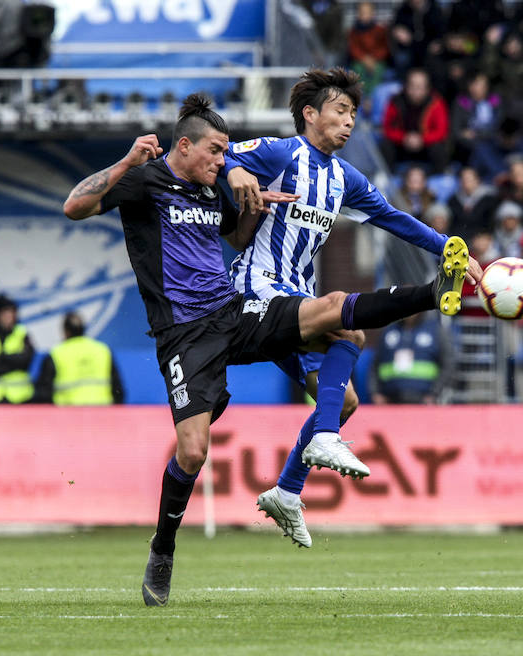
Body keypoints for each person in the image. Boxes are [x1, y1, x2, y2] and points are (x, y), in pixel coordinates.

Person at [63, 94, 476, 607]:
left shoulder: (211, 190)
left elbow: (232, 238)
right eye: (215, 152)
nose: (221, 160)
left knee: (336, 317)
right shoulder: (146, 181)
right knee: (192, 452)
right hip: (184, 335)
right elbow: (75, 206)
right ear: (184, 144)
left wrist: (253, 215)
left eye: (224, 154)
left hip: (234, 313)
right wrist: (127, 160)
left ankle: (434, 294)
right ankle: (164, 548)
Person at [219, 69, 483, 554]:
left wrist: (450, 247)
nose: (348, 123)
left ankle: (286, 490)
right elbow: (215, 155)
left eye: (354, 116)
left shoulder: (345, 179)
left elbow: (395, 219)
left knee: (344, 402)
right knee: (346, 323)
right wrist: (233, 169)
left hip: (295, 296)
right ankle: (320, 440)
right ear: (310, 114)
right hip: (254, 293)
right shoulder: (282, 153)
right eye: (340, 112)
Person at [33, 311, 124, 405]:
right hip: (101, 412)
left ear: (66, 331)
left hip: (68, 414)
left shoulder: (57, 354)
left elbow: (43, 393)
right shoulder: (102, 350)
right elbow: (118, 390)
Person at [381, 68, 450, 174]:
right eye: (412, 86)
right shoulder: (396, 101)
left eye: (420, 87)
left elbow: (441, 131)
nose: (415, 91)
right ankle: (387, 176)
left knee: (439, 149)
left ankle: (438, 177)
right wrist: (404, 138)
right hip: (403, 145)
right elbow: (387, 128)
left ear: (427, 89)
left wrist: (422, 139)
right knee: (386, 145)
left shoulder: (437, 102)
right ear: (406, 86)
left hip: (425, 147)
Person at [371, 311, 450, 404]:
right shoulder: (388, 331)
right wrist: (375, 393)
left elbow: (448, 365)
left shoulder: (436, 330)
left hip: (423, 401)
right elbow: (374, 366)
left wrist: (434, 394)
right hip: (390, 401)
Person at [0, 293, 35, 404]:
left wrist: (1, 359)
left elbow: (27, 360)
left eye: (12, 312)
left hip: (20, 397)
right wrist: (14, 362)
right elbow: (20, 360)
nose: (9, 316)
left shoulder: (21, 332)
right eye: (5, 312)